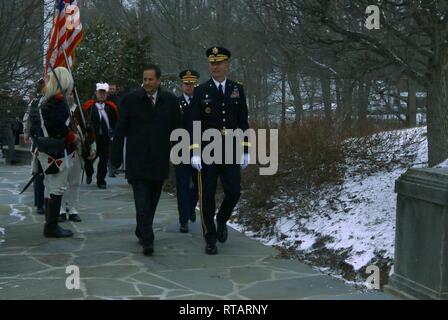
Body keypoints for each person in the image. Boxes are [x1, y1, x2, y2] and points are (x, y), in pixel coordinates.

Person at [111, 64, 181, 256]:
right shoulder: (130, 100)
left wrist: (179, 153)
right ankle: (148, 239)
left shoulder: (170, 101)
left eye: (151, 79)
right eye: (145, 79)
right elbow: (120, 130)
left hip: (159, 159)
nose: (147, 83)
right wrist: (115, 157)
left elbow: (177, 130)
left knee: (152, 200)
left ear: (159, 81)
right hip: (137, 159)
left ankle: (142, 227)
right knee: (141, 200)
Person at [189, 47, 251, 255]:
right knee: (206, 195)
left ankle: (222, 219)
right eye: (212, 63)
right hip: (207, 149)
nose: (215, 67)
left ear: (227, 65)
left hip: (231, 148)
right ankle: (210, 237)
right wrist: (195, 151)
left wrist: (245, 150)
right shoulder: (201, 90)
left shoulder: (236, 88)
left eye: (219, 63)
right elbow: (195, 122)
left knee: (234, 191)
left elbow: (243, 121)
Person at [38, 66, 77, 238]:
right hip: (56, 151)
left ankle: (50, 224)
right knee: (57, 187)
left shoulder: (47, 101)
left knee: (50, 187)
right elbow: (58, 128)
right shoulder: (58, 102)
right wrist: (72, 136)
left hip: (47, 151)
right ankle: (52, 227)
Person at [58, 92, 97, 223]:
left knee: (74, 183)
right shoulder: (59, 110)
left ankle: (73, 209)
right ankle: (61, 210)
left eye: (71, 95)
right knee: (61, 183)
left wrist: (92, 147)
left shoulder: (80, 110)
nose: (69, 97)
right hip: (62, 151)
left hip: (78, 150)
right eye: (66, 95)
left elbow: (89, 129)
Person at [175, 70, 200, 233]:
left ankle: (191, 207)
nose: (189, 87)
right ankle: (183, 219)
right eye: (186, 84)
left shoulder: (202, 102)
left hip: (200, 150)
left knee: (198, 185)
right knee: (182, 186)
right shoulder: (175, 103)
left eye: (192, 84)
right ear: (181, 85)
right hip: (181, 149)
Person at [82, 83, 119, 189]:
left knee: (103, 160)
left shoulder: (111, 107)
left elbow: (115, 121)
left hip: (106, 137)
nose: (102, 95)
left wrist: (113, 132)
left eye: (104, 93)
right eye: (100, 92)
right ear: (96, 93)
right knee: (89, 159)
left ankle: (101, 180)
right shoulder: (89, 106)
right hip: (92, 138)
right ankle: (89, 173)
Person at [23, 79, 46, 215]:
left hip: (51, 140)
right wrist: (26, 133)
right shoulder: (35, 103)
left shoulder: (54, 101)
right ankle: (39, 203)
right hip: (38, 140)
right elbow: (28, 119)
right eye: (43, 86)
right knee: (38, 173)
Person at [0, 88, 19, 165]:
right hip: (4, 122)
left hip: (7, 124)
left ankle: (12, 159)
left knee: (11, 140)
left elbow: (14, 112)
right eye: (5, 92)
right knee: (10, 140)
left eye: (8, 92)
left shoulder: (11, 101)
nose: (7, 93)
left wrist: (13, 121)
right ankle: (12, 158)